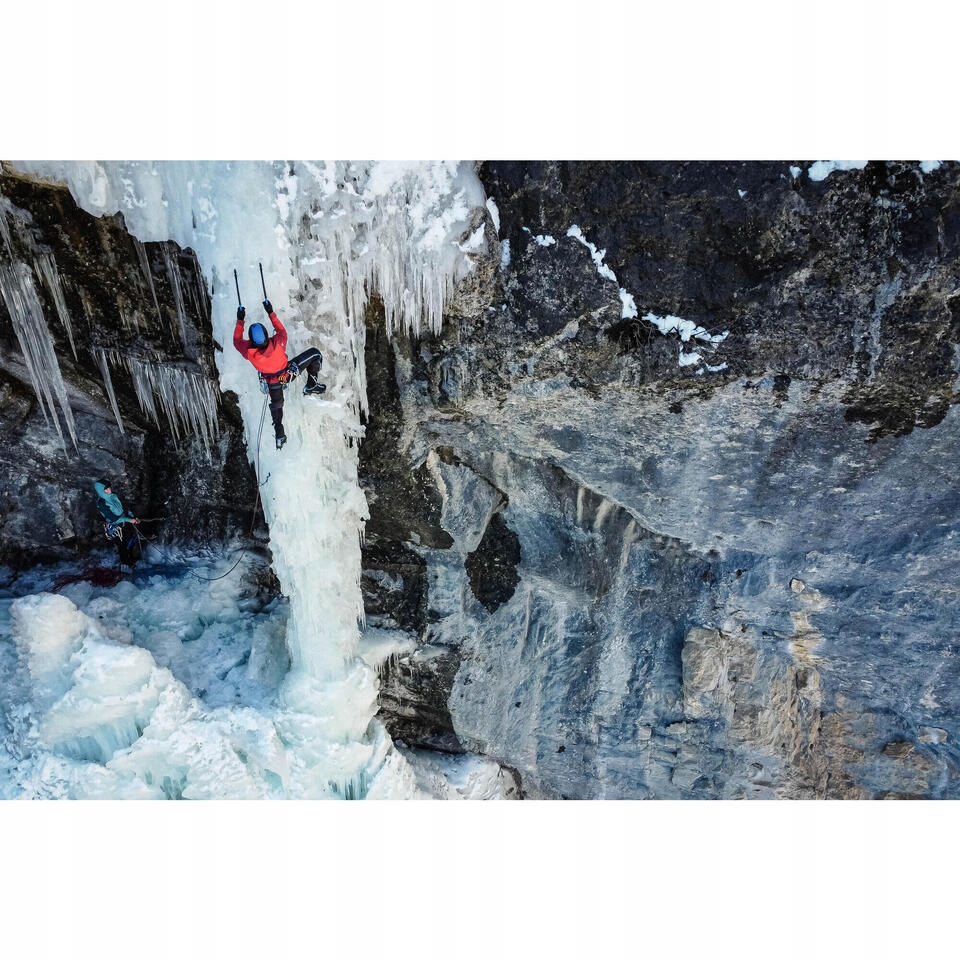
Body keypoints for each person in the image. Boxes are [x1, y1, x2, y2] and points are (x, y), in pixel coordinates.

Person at [233, 298, 326, 450]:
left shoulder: (249, 352)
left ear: (251, 342)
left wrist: (240, 320)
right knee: (315, 354)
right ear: (266, 335)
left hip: (272, 383)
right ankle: (311, 385)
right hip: (287, 374)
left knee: (277, 405)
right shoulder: (278, 342)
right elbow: (281, 330)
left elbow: (237, 341)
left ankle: (279, 435)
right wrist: (270, 312)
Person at [94, 480, 143, 566]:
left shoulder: (113, 496)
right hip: (116, 526)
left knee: (131, 540)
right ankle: (126, 563)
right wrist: (129, 520)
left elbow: (123, 507)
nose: (109, 490)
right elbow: (113, 519)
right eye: (106, 489)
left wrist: (132, 516)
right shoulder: (102, 504)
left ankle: (131, 557)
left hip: (125, 521)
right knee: (122, 545)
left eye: (109, 487)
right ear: (101, 491)